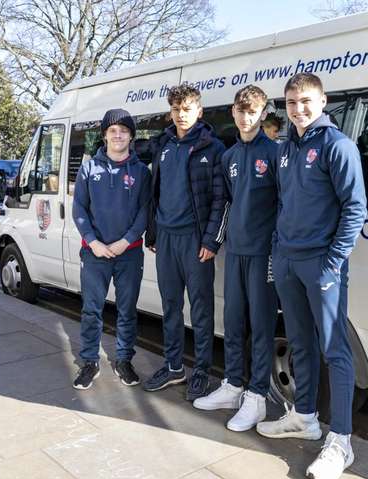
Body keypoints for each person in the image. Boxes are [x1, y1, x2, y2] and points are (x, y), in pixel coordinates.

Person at [256, 73, 367, 479]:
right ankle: (304, 417)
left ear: (322, 102)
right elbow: (283, 204)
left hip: (322, 263)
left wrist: (333, 261)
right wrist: (277, 251)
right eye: (290, 102)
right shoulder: (286, 149)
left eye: (305, 101)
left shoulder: (338, 146)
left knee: (335, 350)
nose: (298, 109)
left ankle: (341, 441)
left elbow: (355, 209)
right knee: (300, 343)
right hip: (287, 260)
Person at [192, 85, 279, 432]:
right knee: (232, 320)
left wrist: (277, 245)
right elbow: (223, 204)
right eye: (241, 111)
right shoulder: (227, 157)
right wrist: (214, 240)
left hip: (264, 254)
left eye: (253, 112)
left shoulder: (274, 154)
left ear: (263, 114)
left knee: (261, 325)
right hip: (235, 252)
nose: (246, 118)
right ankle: (232, 385)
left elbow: (285, 205)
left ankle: (256, 397)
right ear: (233, 112)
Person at [143, 84, 227, 401]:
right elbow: (155, 192)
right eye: (176, 109)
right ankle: (174, 366)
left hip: (195, 241)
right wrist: (152, 233)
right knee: (170, 307)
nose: (181, 114)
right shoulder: (163, 145)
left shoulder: (212, 148)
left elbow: (220, 201)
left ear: (199, 111)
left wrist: (211, 241)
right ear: (171, 112)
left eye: (188, 108)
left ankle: (202, 371)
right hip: (165, 238)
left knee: (201, 310)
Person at [72, 108, 151, 390]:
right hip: (94, 253)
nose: (118, 135)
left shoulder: (141, 172)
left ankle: (123, 360)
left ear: (131, 136)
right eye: (112, 130)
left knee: (127, 310)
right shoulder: (89, 168)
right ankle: (89, 361)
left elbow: (145, 211)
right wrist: (93, 242)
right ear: (104, 135)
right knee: (91, 310)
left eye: (123, 130)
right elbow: (79, 208)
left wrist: (124, 241)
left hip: (128, 253)